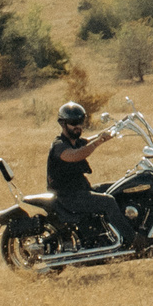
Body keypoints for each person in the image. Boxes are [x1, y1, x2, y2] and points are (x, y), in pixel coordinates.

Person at [46, 102, 134, 249]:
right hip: (67, 197)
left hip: (81, 191)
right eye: (73, 122)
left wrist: (121, 124)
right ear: (63, 123)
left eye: (80, 122)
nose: (78, 126)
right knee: (108, 202)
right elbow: (74, 155)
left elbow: (95, 138)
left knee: (120, 187)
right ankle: (132, 240)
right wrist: (97, 142)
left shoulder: (76, 142)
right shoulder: (59, 145)